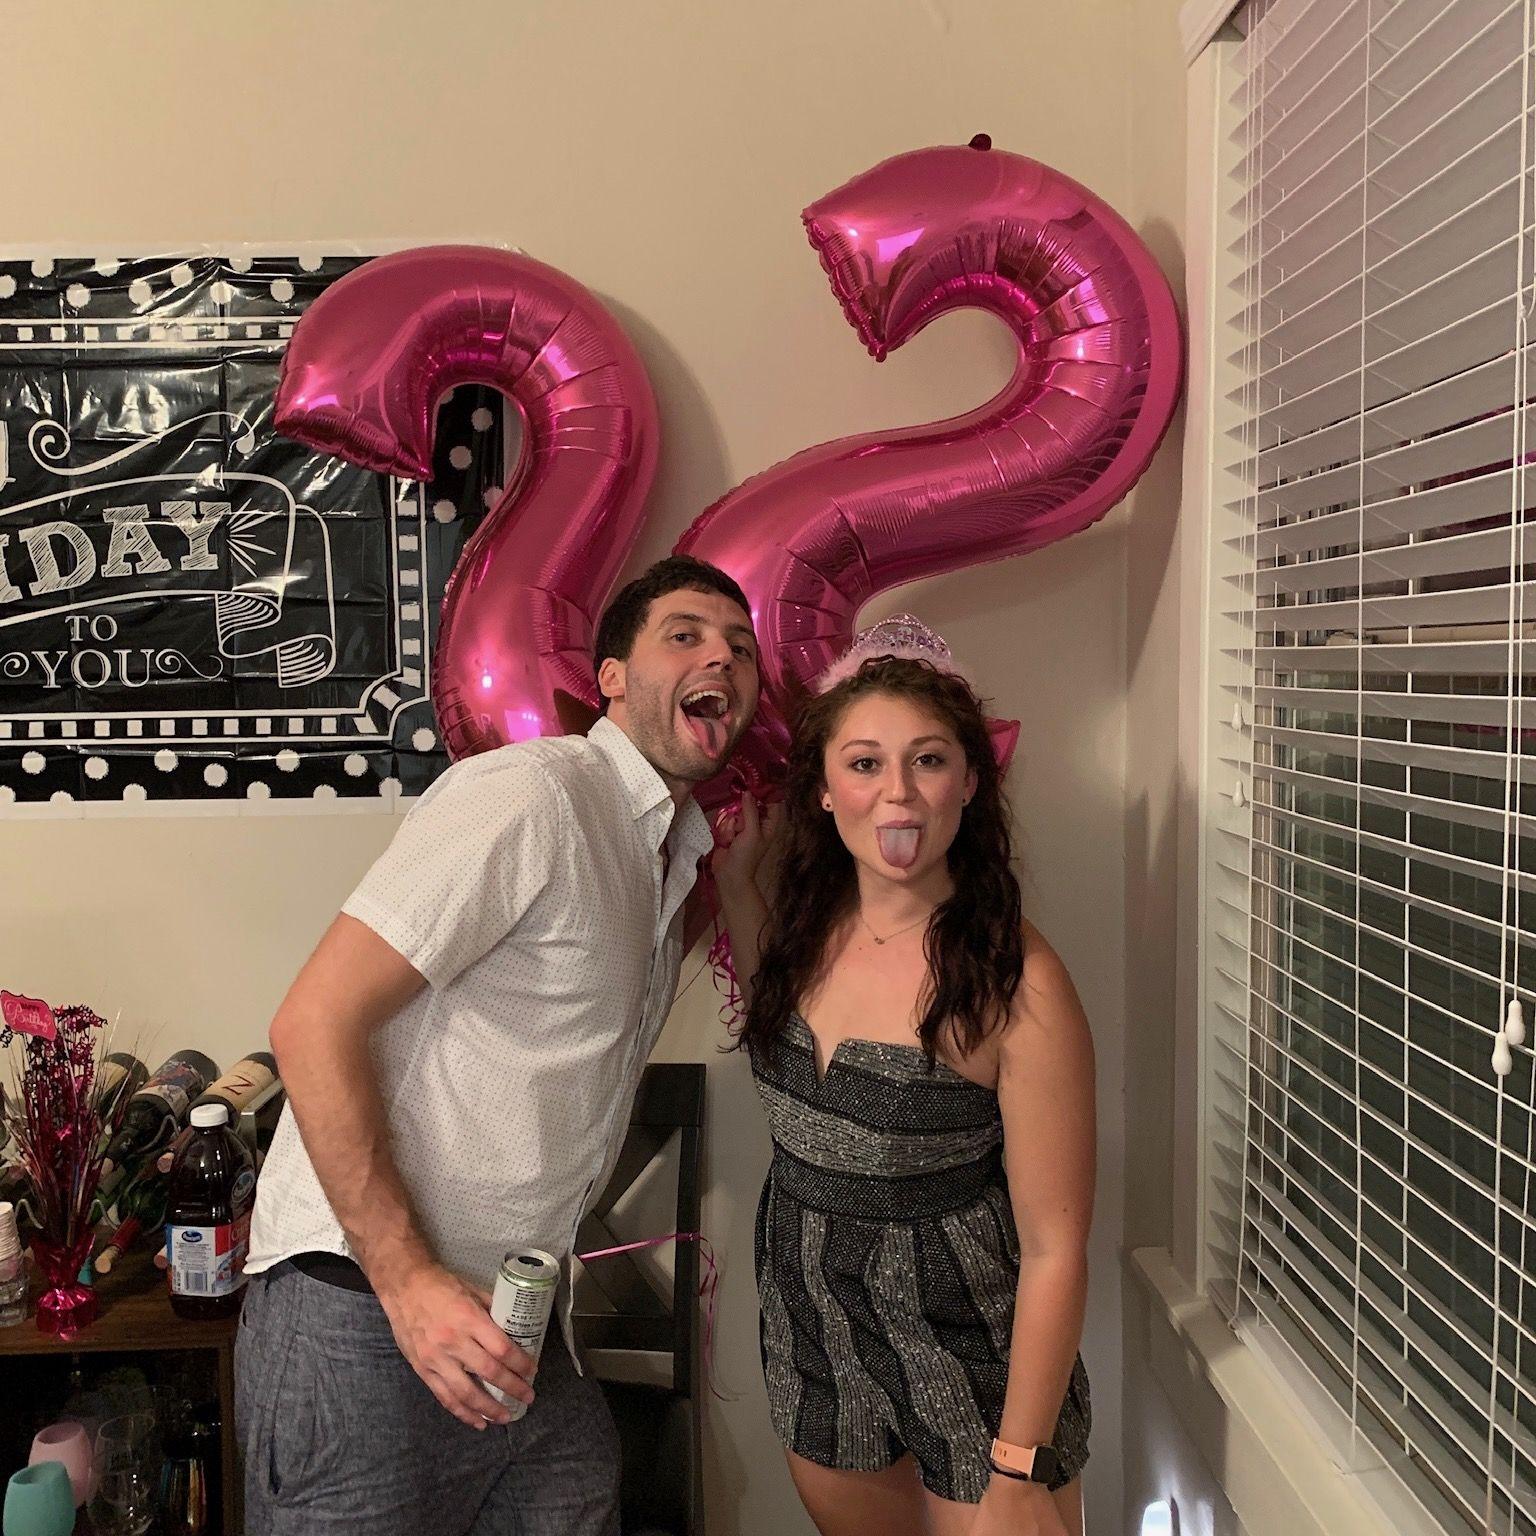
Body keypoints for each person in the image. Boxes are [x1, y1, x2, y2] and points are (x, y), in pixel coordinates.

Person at [235, 554, 760, 1536]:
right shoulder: (535, 794)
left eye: (741, 648)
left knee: (581, 1484)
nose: (722, 659)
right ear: (611, 677)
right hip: (361, 1305)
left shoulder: (675, 860)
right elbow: (312, 1020)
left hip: (517, 1319)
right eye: (685, 635)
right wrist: (408, 1284)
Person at [712, 616, 1094, 1536]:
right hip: (813, 1329)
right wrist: (730, 870)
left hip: (974, 1352)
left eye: (927, 760)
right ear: (824, 789)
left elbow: (1056, 1249)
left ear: (969, 781)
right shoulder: (789, 928)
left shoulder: (1016, 981)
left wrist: (1020, 1465)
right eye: (865, 763)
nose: (898, 793)